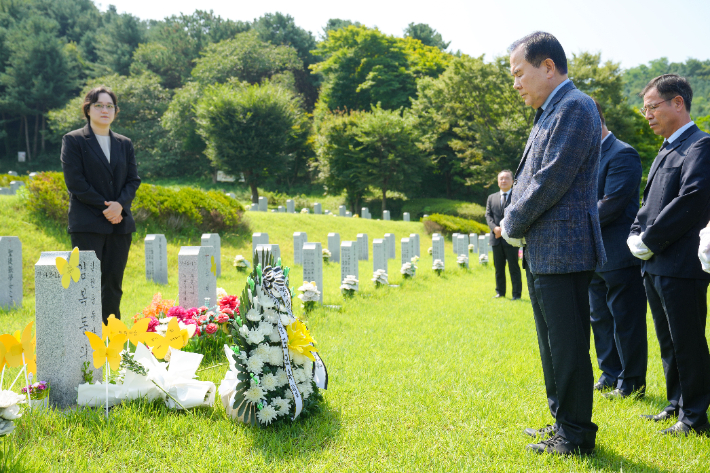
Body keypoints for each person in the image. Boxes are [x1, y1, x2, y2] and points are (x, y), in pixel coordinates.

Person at [500, 31, 605, 455]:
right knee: (552, 347)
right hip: (545, 250)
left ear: (547, 66)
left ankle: (576, 435)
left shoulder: (575, 107)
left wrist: (510, 220)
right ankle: (562, 421)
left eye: (519, 72)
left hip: (565, 249)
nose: (515, 83)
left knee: (568, 346)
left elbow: (550, 180)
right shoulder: (548, 111)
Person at [628, 74, 710, 436]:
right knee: (668, 340)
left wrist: (651, 239)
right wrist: (636, 234)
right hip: (655, 264)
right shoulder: (666, 148)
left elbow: (691, 200)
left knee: (688, 341)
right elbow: (648, 205)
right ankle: (676, 403)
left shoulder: (700, 145)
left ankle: (694, 417)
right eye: (644, 108)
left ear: (678, 103)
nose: (647, 114)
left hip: (681, 264)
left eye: (652, 107)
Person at [61, 86, 141, 323]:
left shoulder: (124, 143)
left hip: (120, 224)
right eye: (99, 105)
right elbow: (76, 183)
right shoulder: (74, 140)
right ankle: (85, 334)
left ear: (116, 111)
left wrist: (120, 206)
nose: (104, 110)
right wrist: (109, 208)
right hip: (87, 223)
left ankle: (111, 332)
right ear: (88, 109)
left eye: (109, 106)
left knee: (114, 283)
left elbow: (133, 179)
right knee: (87, 283)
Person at [588, 101, 647, 399]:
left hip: (618, 253)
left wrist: (575, 221)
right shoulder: (586, 157)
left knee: (626, 320)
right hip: (593, 255)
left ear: (596, 120)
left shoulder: (622, 153)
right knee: (599, 318)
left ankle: (632, 381)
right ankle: (609, 373)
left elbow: (611, 204)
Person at [485, 170, 522, 300]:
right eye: (501, 179)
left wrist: (505, 229)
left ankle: (516, 294)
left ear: (512, 181)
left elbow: (518, 215)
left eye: (506, 178)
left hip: (510, 238)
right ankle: (500, 292)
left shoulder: (517, 197)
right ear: (498, 181)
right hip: (496, 238)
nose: (503, 181)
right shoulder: (491, 197)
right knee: (498, 267)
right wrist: (495, 228)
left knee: (514, 267)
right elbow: (488, 215)